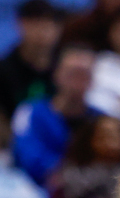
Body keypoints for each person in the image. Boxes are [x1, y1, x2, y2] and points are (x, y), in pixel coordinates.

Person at [13, 44, 100, 186]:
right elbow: (27, 155)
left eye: (84, 75)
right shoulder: (30, 112)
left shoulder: (101, 120)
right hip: (36, 189)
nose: (77, 82)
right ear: (57, 74)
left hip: (91, 189)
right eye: (72, 74)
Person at [0, 0, 62, 119]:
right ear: (19, 25)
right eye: (36, 25)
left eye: (47, 26)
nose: (42, 34)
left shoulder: (65, 70)